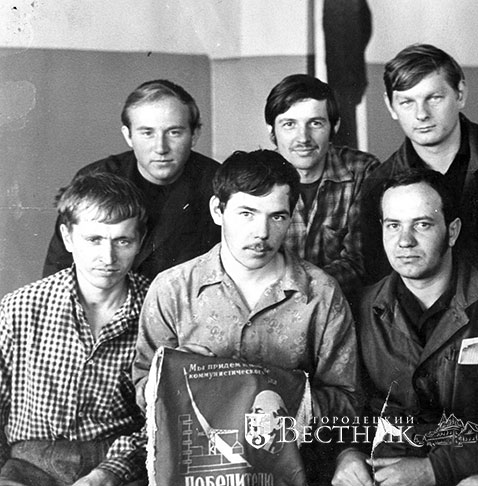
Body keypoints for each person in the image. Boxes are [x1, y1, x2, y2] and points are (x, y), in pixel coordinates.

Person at [132, 149, 360, 483]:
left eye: (277, 217)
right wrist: (177, 377)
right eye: (247, 214)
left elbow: (348, 402)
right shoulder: (172, 289)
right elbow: (143, 389)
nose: (262, 232)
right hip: (198, 471)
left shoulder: (322, 293)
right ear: (217, 210)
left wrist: (275, 392)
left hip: (290, 470)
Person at [333, 169, 478, 486]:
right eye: (393, 225)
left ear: (452, 231)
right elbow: (347, 408)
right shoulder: (359, 309)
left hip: (467, 476)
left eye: (422, 224)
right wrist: (346, 453)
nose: (404, 241)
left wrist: (435, 470)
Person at [0, 172, 150, 485]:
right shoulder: (20, 307)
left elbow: (163, 418)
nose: (108, 257)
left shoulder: (156, 309)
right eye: (94, 240)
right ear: (68, 238)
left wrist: (109, 473)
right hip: (27, 464)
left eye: (122, 241)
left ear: (140, 241)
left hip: (117, 463)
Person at [361, 44, 478, 285]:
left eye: (434, 98)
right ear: (390, 105)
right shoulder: (379, 183)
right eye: (407, 102)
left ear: (460, 94)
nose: (421, 114)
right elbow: (382, 279)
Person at [43, 79, 220, 280]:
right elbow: (59, 268)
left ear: (194, 135)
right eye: (147, 133)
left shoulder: (218, 183)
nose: (161, 148)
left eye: (174, 133)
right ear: (128, 136)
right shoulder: (95, 178)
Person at [265, 74, 380, 297]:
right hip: (272, 305)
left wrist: (296, 287)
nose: (303, 138)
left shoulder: (363, 171)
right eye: (289, 125)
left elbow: (361, 264)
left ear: (334, 126)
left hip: (343, 305)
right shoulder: (254, 179)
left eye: (315, 123)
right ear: (271, 131)